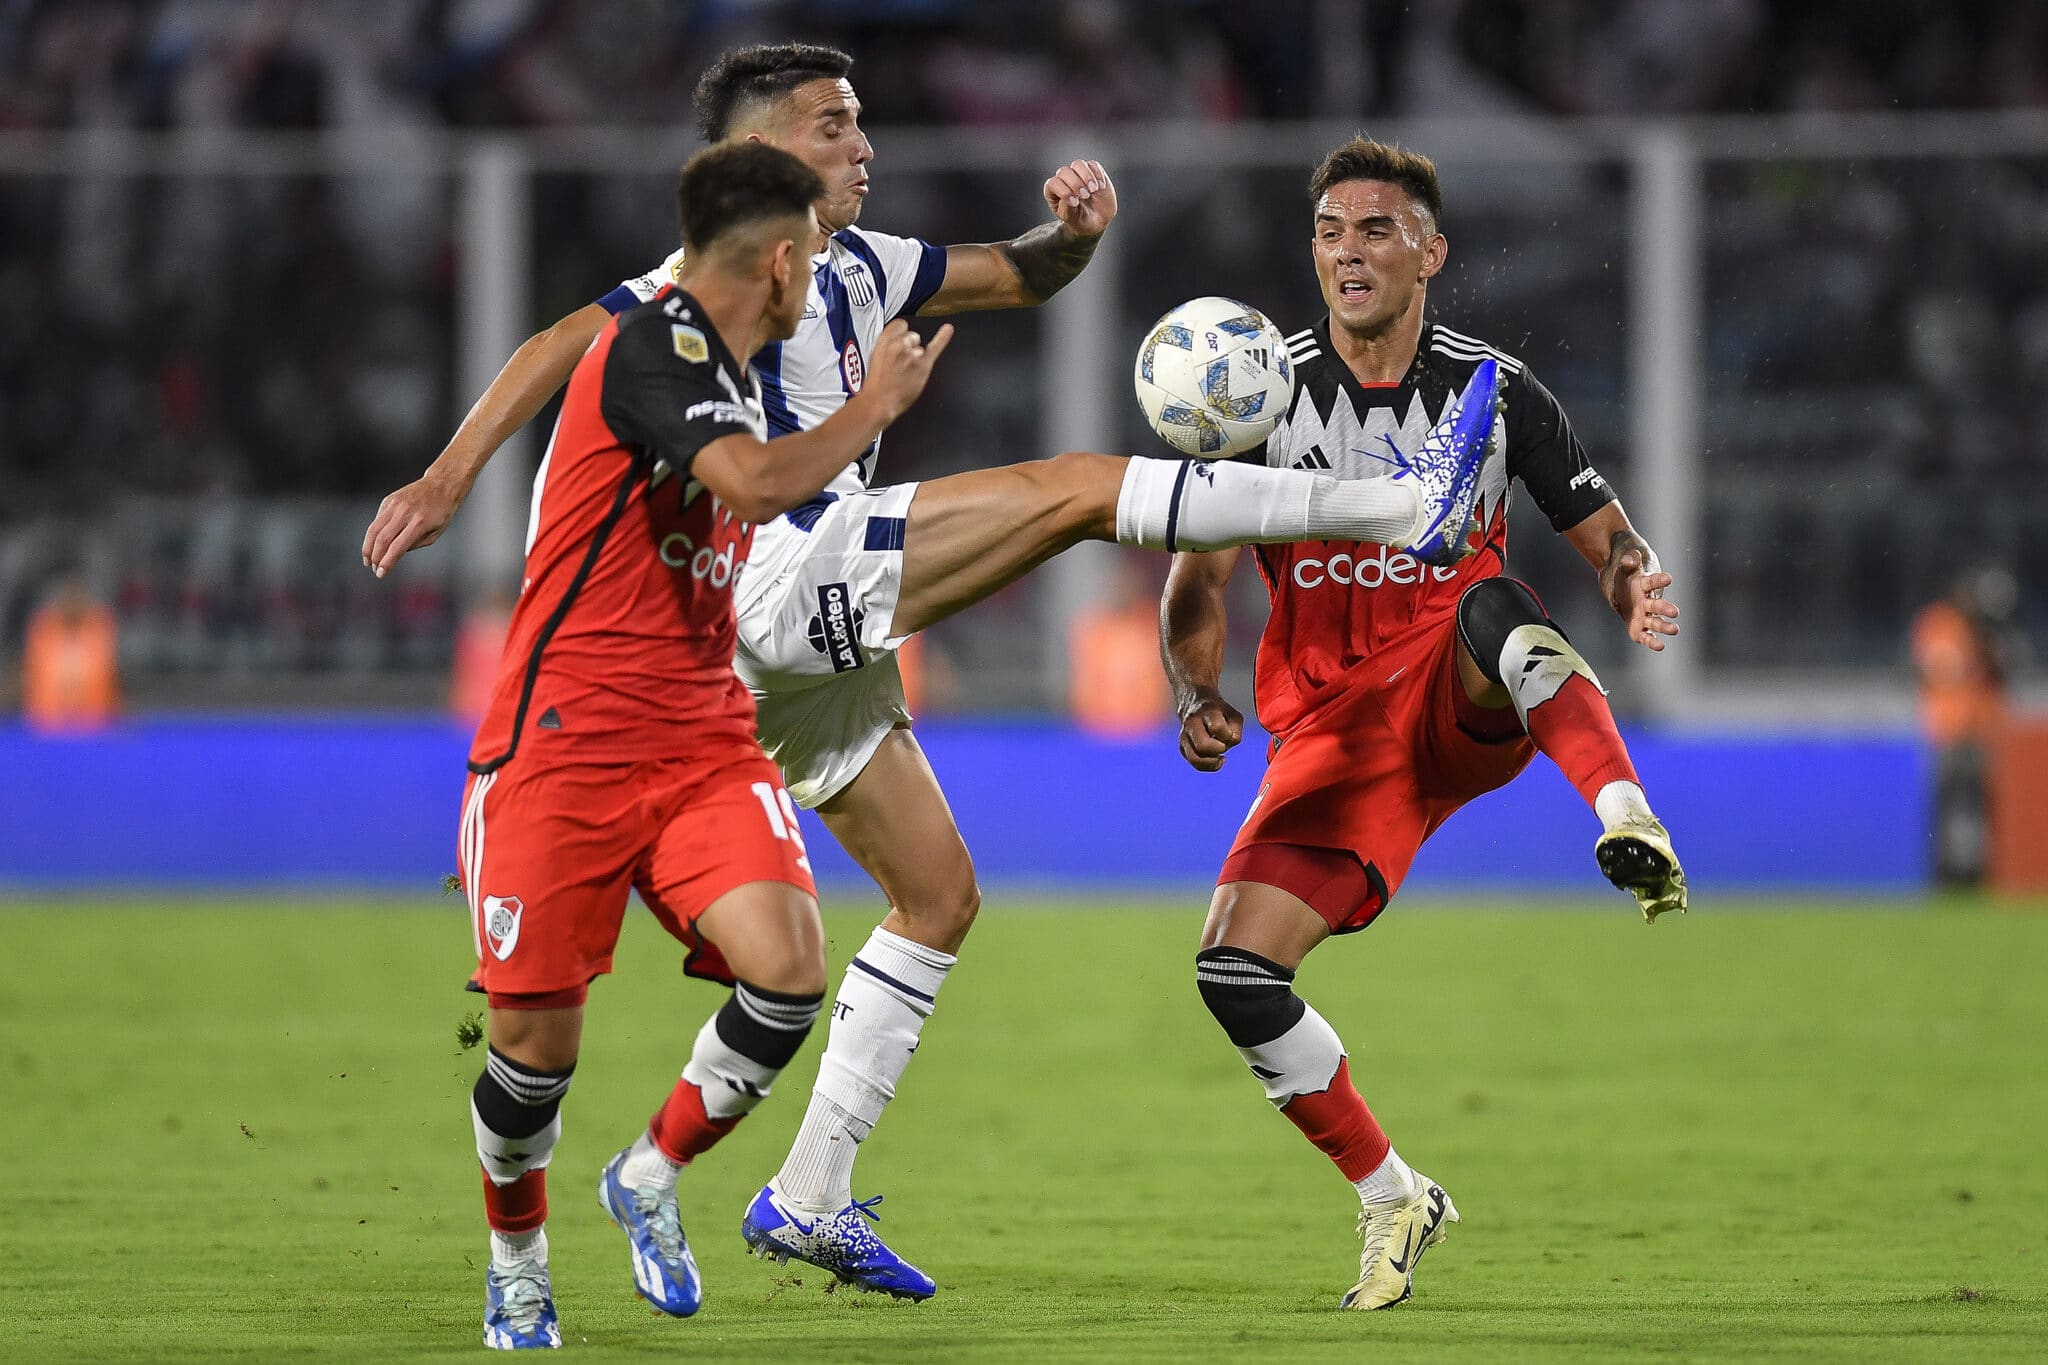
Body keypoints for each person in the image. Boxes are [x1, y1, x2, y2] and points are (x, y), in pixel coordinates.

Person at [365, 44, 1494, 1299]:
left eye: (859, 122)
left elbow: (1018, 277)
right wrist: (446, 477)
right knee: (1068, 491)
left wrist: (1071, 231)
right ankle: (1392, 506)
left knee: (937, 894)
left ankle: (805, 1196)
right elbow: (562, 340)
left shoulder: (866, 263)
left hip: (804, 614)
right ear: (758, 159)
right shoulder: (695, 286)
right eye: (831, 125)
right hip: (770, 579)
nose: (862, 144)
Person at [1161, 136, 1689, 1313]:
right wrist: (1196, 693)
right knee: (1234, 973)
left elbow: (1608, 542)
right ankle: (1392, 1192)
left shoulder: (1498, 393)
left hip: (1455, 693)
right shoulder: (1251, 394)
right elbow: (1192, 588)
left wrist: (1634, 582)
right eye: (1329, 232)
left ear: (1429, 252)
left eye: (1375, 230)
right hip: (1330, 739)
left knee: (1492, 598)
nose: (1347, 252)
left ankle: (1622, 808)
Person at [454, 140, 954, 1351]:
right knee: (531, 1066)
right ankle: (517, 1263)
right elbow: (754, 487)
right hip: (559, 746)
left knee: (784, 967)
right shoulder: (656, 347)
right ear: (780, 263)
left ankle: (648, 1172)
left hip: (698, 739)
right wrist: (875, 408)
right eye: (809, 259)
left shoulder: (729, 359)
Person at [1911, 567, 2015, 887]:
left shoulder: (1987, 632)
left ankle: (1981, 873)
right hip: (1946, 729)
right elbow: (1934, 668)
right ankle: (1944, 874)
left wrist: (1987, 641)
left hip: (1981, 729)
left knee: (1980, 804)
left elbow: (2002, 675)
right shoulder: (1938, 624)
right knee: (1946, 804)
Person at [22, 575, 120, 734]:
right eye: (67, 598)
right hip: (47, 725)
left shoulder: (99, 628)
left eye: (76, 598)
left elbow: (109, 674)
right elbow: (32, 672)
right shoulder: (44, 630)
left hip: (94, 724)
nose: (72, 604)